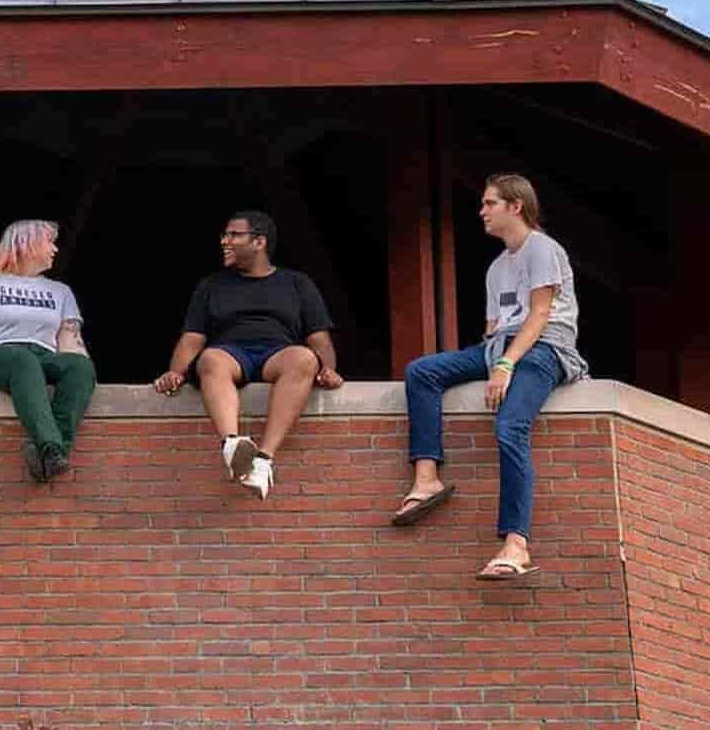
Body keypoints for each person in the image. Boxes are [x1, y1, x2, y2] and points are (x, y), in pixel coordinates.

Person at [390, 173, 589, 580]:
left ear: (515, 206)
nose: (481, 211)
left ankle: (516, 545)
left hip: (544, 349)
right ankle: (427, 479)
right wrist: (495, 360)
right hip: (500, 347)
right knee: (422, 372)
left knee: (510, 427)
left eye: (489, 203)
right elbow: (493, 328)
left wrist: (506, 366)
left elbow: (540, 314)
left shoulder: (543, 248)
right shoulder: (497, 267)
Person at [150, 209, 344, 499]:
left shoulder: (297, 283)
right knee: (210, 359)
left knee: (304, 358)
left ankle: (263, 461)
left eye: (234, 235)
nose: (224, 241)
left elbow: (319, 339)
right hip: (230, 354)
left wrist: (328, 369)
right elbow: (192, 339)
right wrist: (175, 372)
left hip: (277, 354)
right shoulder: (211, 285)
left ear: (259, 242)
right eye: (224, 235)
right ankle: (231, 445)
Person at [0, 219, 97, 483]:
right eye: (49, 242)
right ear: (26, 243)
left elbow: (72, 344)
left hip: (42, 357)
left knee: (80, 366)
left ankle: (52, 453)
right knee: (22, 359)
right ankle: (49, 445)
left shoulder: (61, 292)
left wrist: (86, 377)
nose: (55, 249)